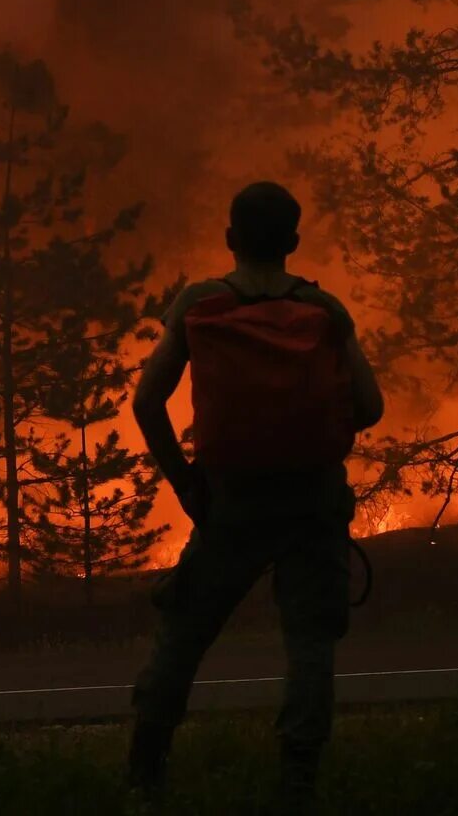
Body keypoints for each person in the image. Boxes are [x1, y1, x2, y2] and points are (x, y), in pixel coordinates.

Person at [126, 181, 384, 810]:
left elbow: (146, 402)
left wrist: (187, 485)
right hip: (314, 504)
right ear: (294, 243)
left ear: (230, 239)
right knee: (311, 646)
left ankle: (144, 774)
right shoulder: (324, 310)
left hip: (231, 504)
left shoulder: (199, 304)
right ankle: (298, 783)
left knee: (184, 634)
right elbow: (371, 406)